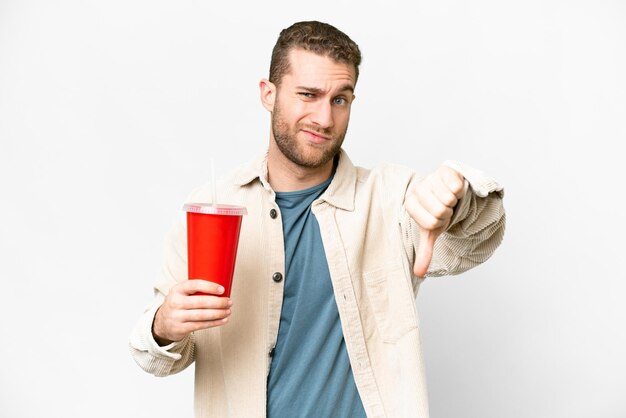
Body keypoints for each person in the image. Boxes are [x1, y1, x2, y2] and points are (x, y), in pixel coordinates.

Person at [129, 20, 506, 418]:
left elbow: (474, 239)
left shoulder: (391, 197)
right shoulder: (211, 204)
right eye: (308, 95)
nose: (325, 118)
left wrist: (459, 194)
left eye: (340, 100)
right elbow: (158, 358)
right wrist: (164, 326)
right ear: (268, 94)